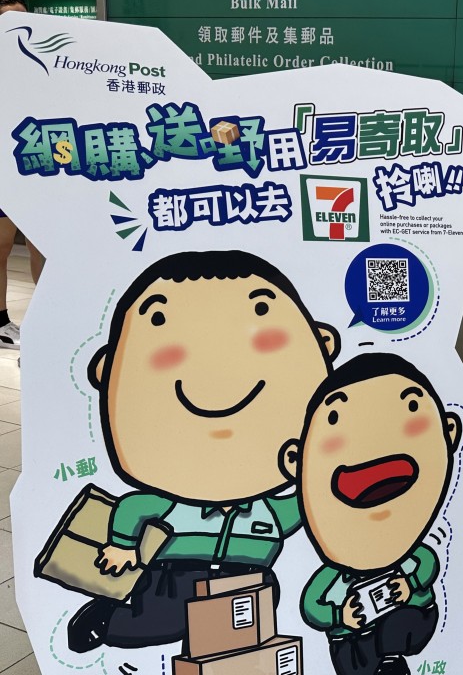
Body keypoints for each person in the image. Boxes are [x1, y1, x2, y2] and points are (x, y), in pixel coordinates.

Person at [56, 250, 340, 652]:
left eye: (261, 311)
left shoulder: (271, 513)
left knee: (247, 626)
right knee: (158, 622)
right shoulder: (178, 507)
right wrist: (122, 545)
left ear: (322, 344)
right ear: (108, 371)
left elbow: (310, 502)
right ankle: (107, 620)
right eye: (159, 320)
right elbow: (135, 507)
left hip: (249, 579)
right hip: (176, 576)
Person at [281, 353, 463, 675]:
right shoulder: (335, 575)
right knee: (355, 655)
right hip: (353, 635)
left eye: (411, 407)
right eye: (335, 418)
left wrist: (408, 585)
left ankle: (391, 660)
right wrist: (341, 617)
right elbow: (312, 606)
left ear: (449, 433)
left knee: (398, 628)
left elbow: (428, 562)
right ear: (297, 464)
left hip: (409, 617)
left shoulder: (409, 556)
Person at [0, 0, 45, 351]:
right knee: (1, 246)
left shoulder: (42, 63)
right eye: (7, 20)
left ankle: (48, 317)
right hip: (2, 169)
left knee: (43, 245)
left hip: (36, 165)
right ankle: (0, 322)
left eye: (23, 20)